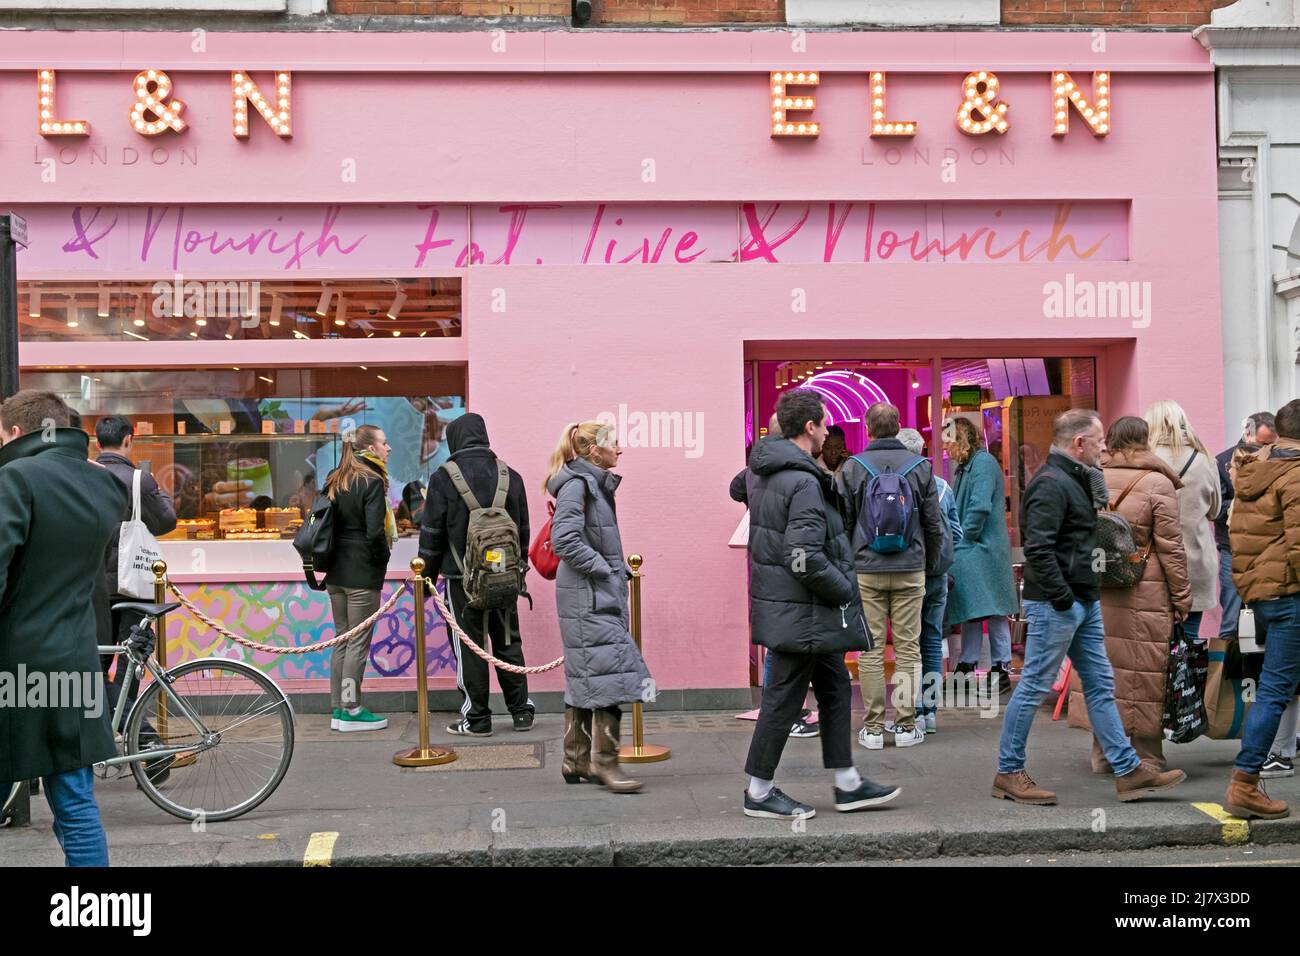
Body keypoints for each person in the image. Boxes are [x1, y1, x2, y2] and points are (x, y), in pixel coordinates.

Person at [992, 409, 1187, 805]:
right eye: (1099, 441)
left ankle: (1128, 770)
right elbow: (1039, 548)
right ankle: (1008, 772)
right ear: (1078, 442)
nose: (1104, 447)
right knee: (1031, 687)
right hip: (1059, 604)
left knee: (1101, 685)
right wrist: (1065, 598)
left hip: (1082, 600)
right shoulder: (1051, 483)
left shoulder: (1076, 479)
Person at [740, 390, 899, 818]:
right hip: (804, 611)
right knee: (782, 700)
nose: (829, 430)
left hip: (795, 609)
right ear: (808, 428)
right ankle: (758, 791)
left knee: (833, 689)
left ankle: (847, 782)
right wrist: (845, 589)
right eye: (824, 423)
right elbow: (804, 557)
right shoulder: (804, 480)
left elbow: (741, 487)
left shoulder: (763, 472)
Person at [0, 390, 126, 866]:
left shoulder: (15, 478)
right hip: (74, 660)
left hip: (14, 665)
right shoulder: (103, 485)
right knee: (74, 804)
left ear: (16, 432)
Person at [1066, 416, 1191, 772]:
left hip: (1096, 583)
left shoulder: (1090, 476)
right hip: (1144, 588)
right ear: (1145, 440)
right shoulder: (1156, 482)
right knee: (1143, 674)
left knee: (1102, 669)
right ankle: (1147, 757)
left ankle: (1103, 754)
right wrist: (1182, 597)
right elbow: (1171, 547)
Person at [544, 420, 651, 793]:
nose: (620, 450)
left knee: (589, 677)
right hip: (588, 597)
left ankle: (575, 760)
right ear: (594, 451)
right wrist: (605, 570)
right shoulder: (579, 485)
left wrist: (611, 571)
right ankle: (607, 763)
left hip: (588, 596)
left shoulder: (589, 484)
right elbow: (565, 540)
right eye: (614, 444)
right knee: (613, 676)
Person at [421, 413, 534, 736]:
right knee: (508, 642)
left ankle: (478, 719)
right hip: (505, 577)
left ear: (455, 439)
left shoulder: (444, 478)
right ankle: (521, 712)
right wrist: (517, 571)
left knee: (469, 646)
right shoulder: (511, 476)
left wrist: (425, 577)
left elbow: (432, 534)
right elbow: (522, 530)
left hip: (461, 581)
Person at [840, 402, 944, 750]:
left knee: (869, 650)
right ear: (898, 427)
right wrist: (929, 566)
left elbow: (843, 523)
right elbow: (933, 524)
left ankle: (871, 728)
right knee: (908, 649)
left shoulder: (852, 468)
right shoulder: (921, 467)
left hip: (866, 569)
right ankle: (905, 725)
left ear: (867, 428)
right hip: (910, 567)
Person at [1222, 399, 1300, 819]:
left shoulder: (1253, 471)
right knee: (1275, 691)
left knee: (1274, 688)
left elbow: (1241, 535)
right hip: (1290, 596)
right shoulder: (1296, 475)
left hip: (1265, 593)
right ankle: (1245, 783)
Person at [94, 416, 178, 778]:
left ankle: (117, 741)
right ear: (129, 439)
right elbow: (167, 520)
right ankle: (145, 744)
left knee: (93, 669)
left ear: (97, 442)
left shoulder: (85, 476)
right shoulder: (139, 480)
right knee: (130, 666)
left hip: (93, 588)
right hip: (133, 587)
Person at [732, 412, 819, 738]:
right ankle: (787, 714)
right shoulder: (798, 473)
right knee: (789, 644)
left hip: (765, 564)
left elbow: (734, 488)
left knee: (779, 643)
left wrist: (753, 504)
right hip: (790, 567)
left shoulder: (757, 468)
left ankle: (780, 709)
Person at [322, 424, 394, 732]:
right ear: (370, 448)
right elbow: (375, 532)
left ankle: (338, 708)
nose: (388, 449)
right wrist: (383, 558)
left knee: (342, 640)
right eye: (384, 442)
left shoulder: (334, 478)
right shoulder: (372, 481)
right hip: (361, 573)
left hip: (335, 572)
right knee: (357, 644)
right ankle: (352, 709)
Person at [942, 416, 1018, 696]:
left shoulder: (982, 464)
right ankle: (968, 664)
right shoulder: (968, 466)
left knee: (992, 609)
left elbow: (979, 507)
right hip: (977, 547)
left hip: (981, 547)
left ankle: (999, 668)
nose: (946, 448)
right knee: (973, 608)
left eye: (948, 441)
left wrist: (965, 537)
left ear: (960, 439)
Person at [899, 428, 959, 733]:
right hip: (937, 574)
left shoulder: (894, 486)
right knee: (932, 640)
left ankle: (911, 711)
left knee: (907, 641)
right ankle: (930, 711)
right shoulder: (943, 486)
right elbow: (956, 534)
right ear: (922, 452)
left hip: (906, 573)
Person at [1146, 400, 1221, 640]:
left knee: (1153, 644)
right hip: (1195, 561)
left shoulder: (1145, 460)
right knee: (1187, 643)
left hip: (1153, 562)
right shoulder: (1204, 459)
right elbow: (1215, 511)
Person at [1215, 412, 1276, 639]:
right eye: (1263, 443)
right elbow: (1216, 509)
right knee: (1231, 615)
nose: (1267, 449)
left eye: (1272, 443)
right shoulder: (1222, 462)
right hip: (1233, 547)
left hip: (1268, 549)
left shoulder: (1278, 460)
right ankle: (1226, 671)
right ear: (1247, 434)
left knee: (1269, 616)